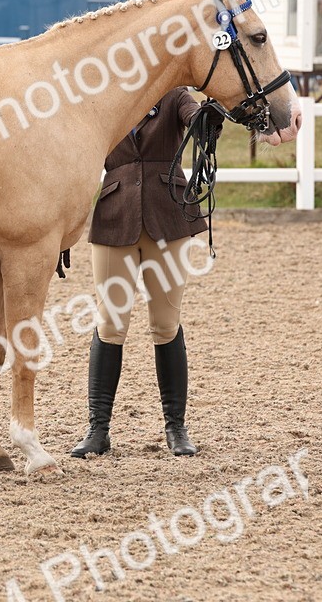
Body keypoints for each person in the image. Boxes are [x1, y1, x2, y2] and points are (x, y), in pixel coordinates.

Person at [71, 86, 208, 459]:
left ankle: (176, 428)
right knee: (110, 323)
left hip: (170, 217)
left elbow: (195, 118)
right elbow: (78, 161)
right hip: (115, 218)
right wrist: (66, 224)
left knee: (165, 324)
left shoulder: (175, 96)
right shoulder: (101, 98)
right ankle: (98, 430)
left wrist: (207, 118)